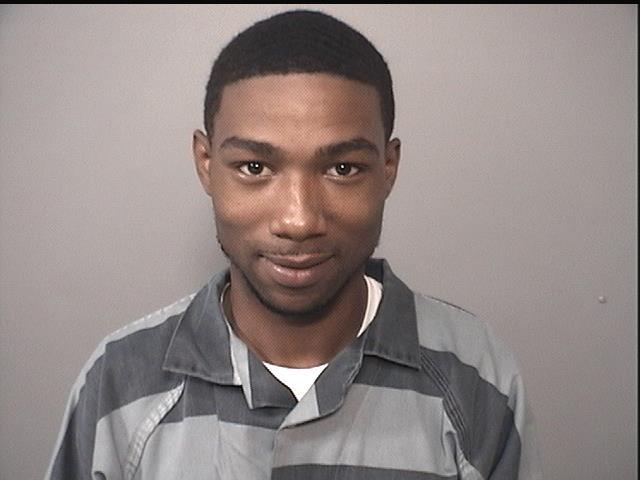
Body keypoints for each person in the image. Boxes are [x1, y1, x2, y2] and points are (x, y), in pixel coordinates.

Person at [45, 9, 540, 480]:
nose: (299, 220)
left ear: (388, 168)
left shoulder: (477, 379)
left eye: (342, 168)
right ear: (205, 163)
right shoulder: (119, 386)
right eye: (255, 167)